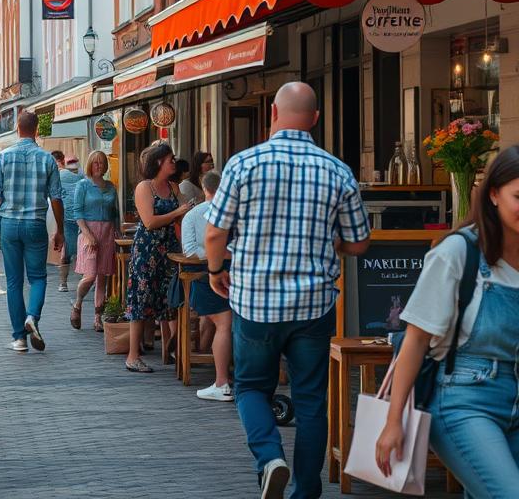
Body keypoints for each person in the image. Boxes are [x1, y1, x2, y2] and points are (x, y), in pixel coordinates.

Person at [204, 82, 370, 499]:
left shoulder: (243, 164)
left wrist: (216, 270)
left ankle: (269, 457)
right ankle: (306, 490)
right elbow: (359, 243)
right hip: (314, 304)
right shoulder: (337, 170)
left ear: (273, 114)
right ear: (315, 119)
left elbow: (213, 233)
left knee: (250, 388)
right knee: (312, 399)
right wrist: (327, 243)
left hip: (256, 301)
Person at [375, 145, 519, 498]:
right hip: (463, 397)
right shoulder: (458, 252)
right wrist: (394, 421)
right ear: (494, 194)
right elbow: (416, 339)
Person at [0, 111, 64, 352]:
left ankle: (19, 338)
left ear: (17, 129)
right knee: (38, 277)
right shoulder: (47, 159)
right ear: (36, 129)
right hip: (35, 223)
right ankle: (32, 317)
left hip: (9, 224)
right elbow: (56, 197)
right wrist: (60, 229)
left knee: (14, 281)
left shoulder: (3, 157)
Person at [124, 142, 190, 373]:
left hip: (170, 248)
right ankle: (133, 355)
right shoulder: (145, 187)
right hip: (147, 250)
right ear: (159, 162)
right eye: (171, 159)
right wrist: (177, 213)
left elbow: (184, 213)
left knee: (170, 299)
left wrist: (188, 211)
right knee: (141, 300)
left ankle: (175, 350)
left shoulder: (173, 187)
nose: (174, 162)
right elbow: (149, 221)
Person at [180, 171, 232, 402]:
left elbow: (189, 250)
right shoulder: (235, 214)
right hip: (236, 275)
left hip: (203, 276)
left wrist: (213, 256)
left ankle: (222, 381)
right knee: (230, 323)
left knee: (224, 323)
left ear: (204, 189)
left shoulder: (192, 215)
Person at [70, 150, 118, 332]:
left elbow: (115, 213)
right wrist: (88, 235)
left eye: (102, 162)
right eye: (95, 163)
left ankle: (98, 317)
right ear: (90, 165)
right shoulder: (82, 185)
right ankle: (78, 304)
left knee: (103, 277)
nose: (99, 166)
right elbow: (77, 213)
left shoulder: (111, 186)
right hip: (88, 232)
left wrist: (117, 231)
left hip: (107, 232)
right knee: (90, 275)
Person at [54, 151, 83, 292]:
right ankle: (85, 280)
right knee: (82, 250)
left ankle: (63, 282)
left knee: (66, 252)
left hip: (66, 217)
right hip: (82, 218)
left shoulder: (59, 175)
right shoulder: (83, 176)